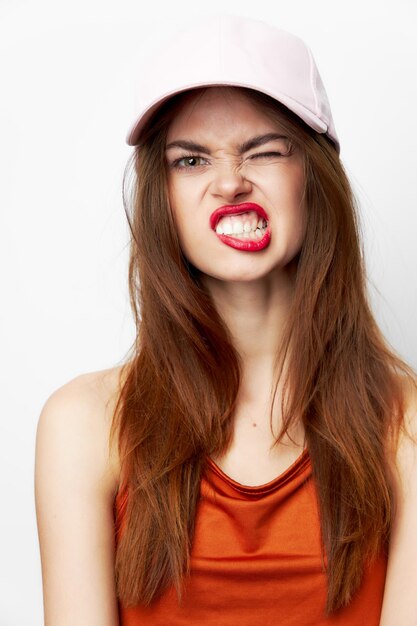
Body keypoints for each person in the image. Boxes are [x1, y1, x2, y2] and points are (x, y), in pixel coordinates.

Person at [34, 13, 417, 626]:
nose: (230, 183)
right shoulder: (84, 425)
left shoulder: (406, 426)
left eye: (263, 152)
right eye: (191, 161)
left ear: (314, 180)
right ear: (162, 197)